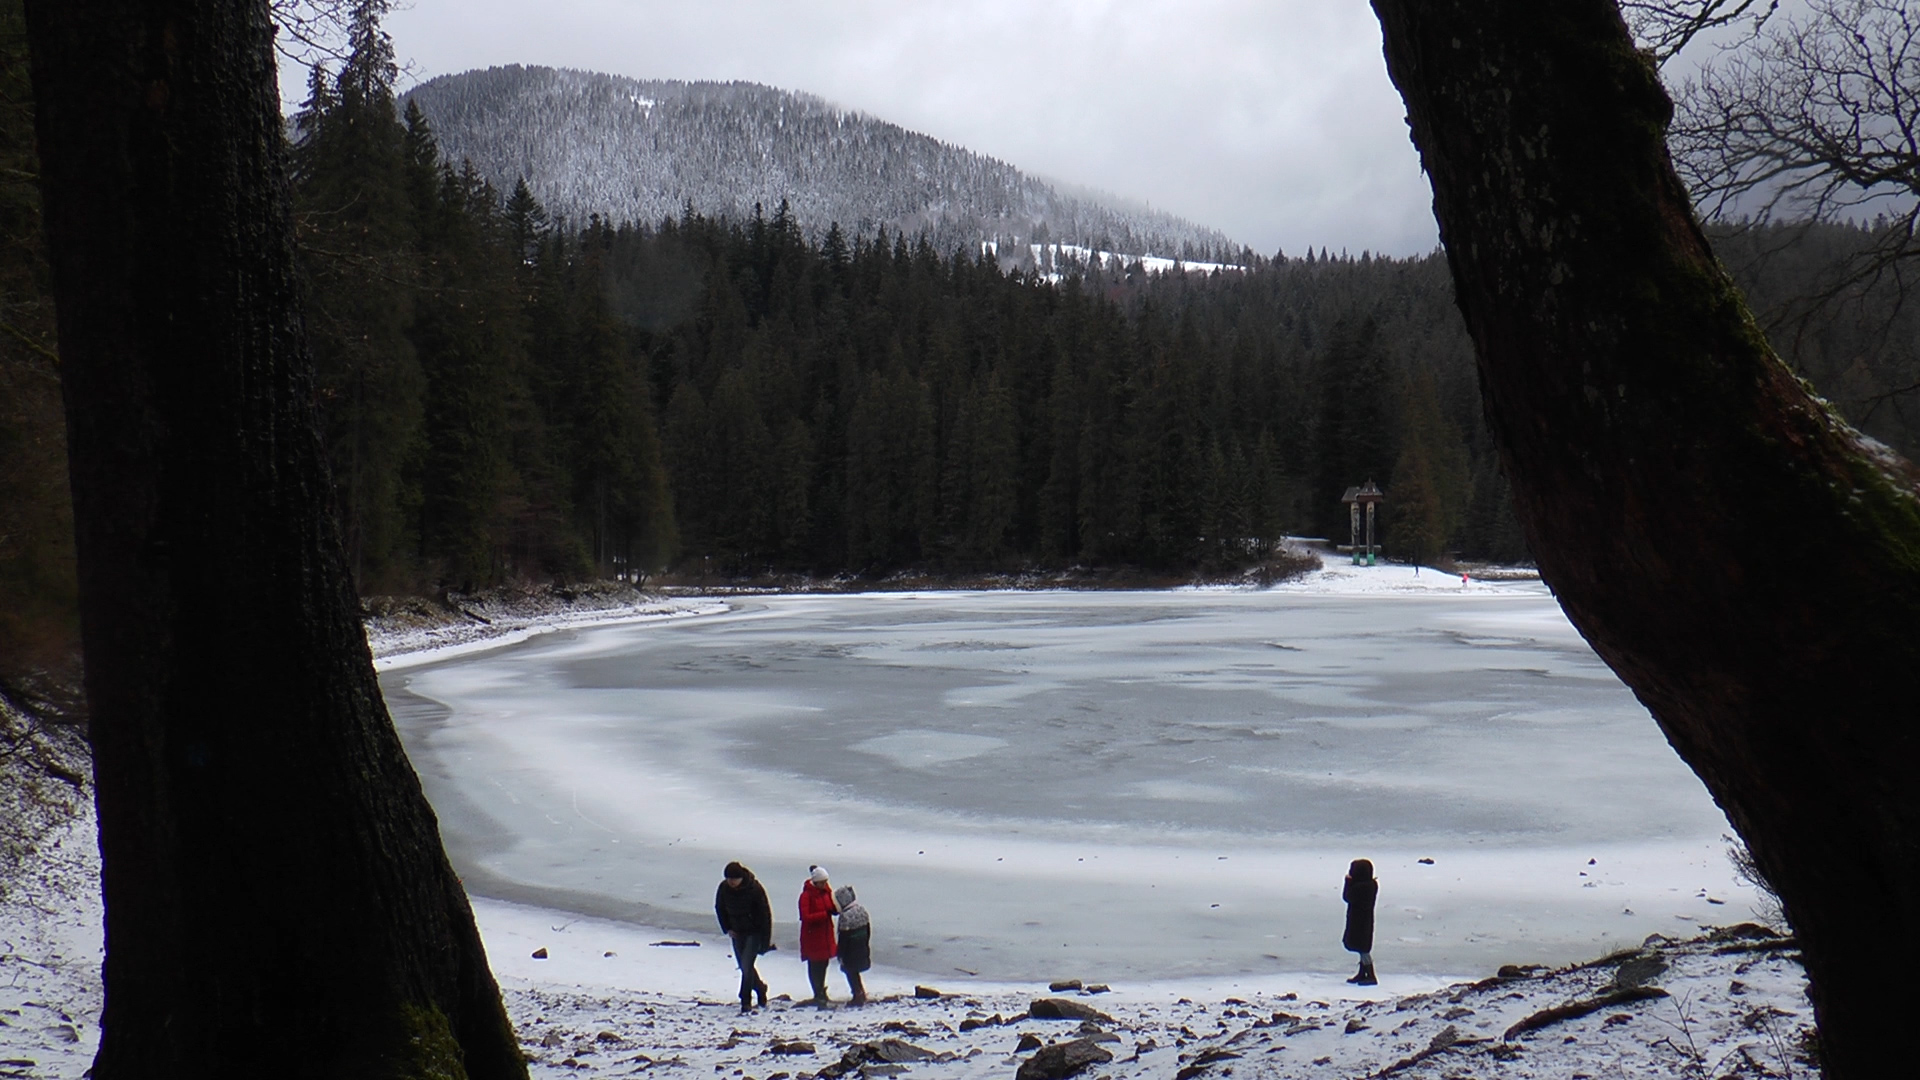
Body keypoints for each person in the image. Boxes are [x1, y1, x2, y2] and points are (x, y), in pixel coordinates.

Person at [715, 861, 773, 1013]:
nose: (731, 882)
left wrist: (765, 941)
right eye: (728, 879)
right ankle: (760, 988)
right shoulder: (723, 888)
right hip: (736, 932)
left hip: (753, 933)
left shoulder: (754, 889)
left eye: (734, 879)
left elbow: (765, 914)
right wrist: (727, 928)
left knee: (747, 965)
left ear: (741, 878)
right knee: (744, 966)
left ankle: (745, 1000)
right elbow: (719, 908)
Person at [798, 864, 839, 1005]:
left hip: (825, 935)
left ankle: (821, 991)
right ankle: (818, 993)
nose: (824, 884)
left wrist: (835, 909)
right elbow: (806, 917)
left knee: (823, 964)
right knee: (815, 966)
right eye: (822, 882)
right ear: (815, 882)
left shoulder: (826, 892)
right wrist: (824, 915)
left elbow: (832, 905)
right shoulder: (806, 896)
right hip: (812, 937)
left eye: (825, 882)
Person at [1343, 858, 1379, 986]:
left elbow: (1347, 896)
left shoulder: (1361, 887)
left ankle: (1370, 975)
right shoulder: (1371, 885)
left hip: (1360, 922)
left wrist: (1347, 882)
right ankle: (1362, 973)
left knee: (1363, 949)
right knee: (1362, 948)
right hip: (1362, 920)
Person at [833, 884, 871, 1005]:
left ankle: (857, 994)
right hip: (861, 947)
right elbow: (868, 930)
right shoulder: (862, 910)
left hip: (850, 951)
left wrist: (840, 954)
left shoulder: (845, 916)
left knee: (850, 972)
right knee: (855, 972)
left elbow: (843, 938)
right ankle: (861, 992)